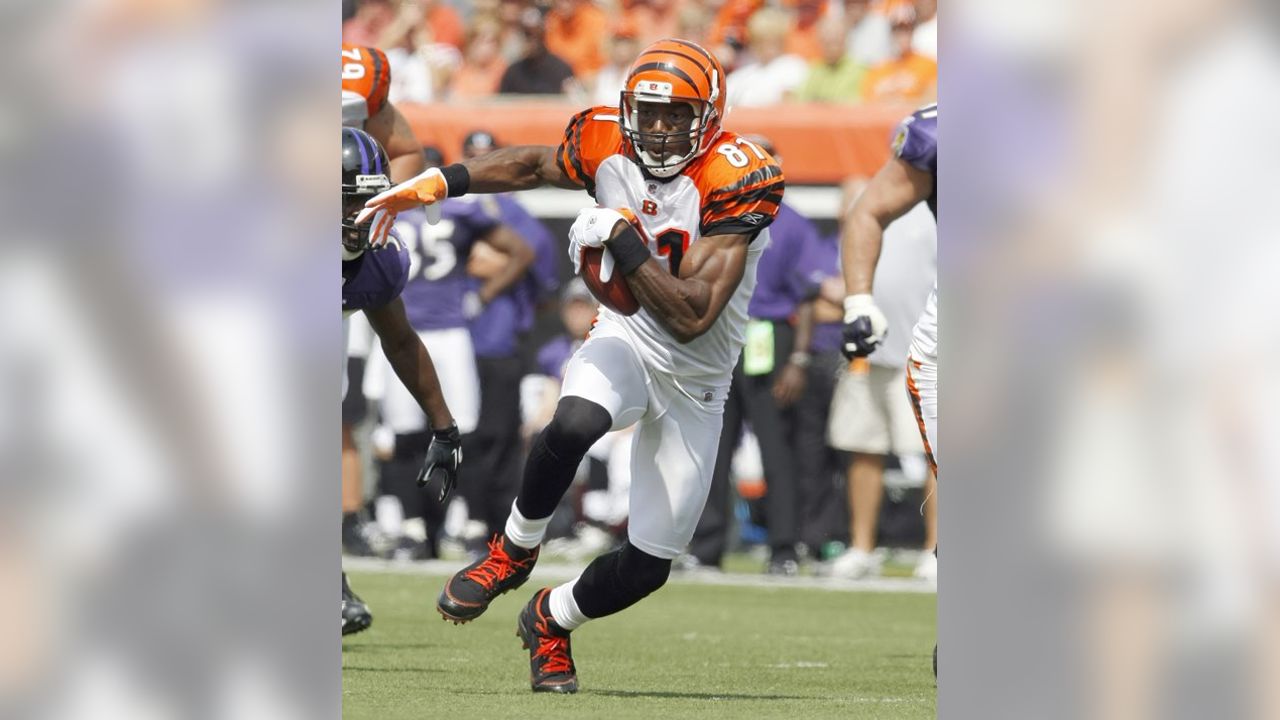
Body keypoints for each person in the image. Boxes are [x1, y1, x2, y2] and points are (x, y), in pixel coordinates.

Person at [358, 38, 784, 693]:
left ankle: (551, 620)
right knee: (575, 420)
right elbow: (530, 167)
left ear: (710, 116)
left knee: (647, 565)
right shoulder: (605, 139)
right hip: (629, 338)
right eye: (650, 112)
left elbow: (694, 314)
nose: (661, 128)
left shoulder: (736, 175)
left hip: (699, 378)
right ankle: (513, 548)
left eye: (678, 115)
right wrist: (436, 184)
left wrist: (620, 237)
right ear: (628, 108)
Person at [363, 163, 533, 559]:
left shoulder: (402, 209)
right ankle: (417, 529)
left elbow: (520, 253)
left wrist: (482, 295)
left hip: (441, 331)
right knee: (407, 435)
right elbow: (519, 252)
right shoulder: (450, 211)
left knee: (460, 433)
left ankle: (461, 527)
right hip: (408, 331)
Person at [340, 127, 463, 634]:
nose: (362, 215)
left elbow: (400, 340)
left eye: (370, 200)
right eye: (348, 202)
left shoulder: (379, 260)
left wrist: (444, 426)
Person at [687, 135, 821, 575]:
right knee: (713, 444)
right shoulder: (716, 213)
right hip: (721, 331)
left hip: (768, 335)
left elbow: (806, 297)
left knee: (775, 447)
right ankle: (706, 546)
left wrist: (798, 359)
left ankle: (783, 546)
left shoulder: (793, 223)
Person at [824, 175, 936, 579]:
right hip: (868, 355)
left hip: (925, 355)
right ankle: (862, 548)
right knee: (862, 448)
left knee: (935, 455)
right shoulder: (866, 211)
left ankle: (935, 551)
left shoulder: (935, 209)